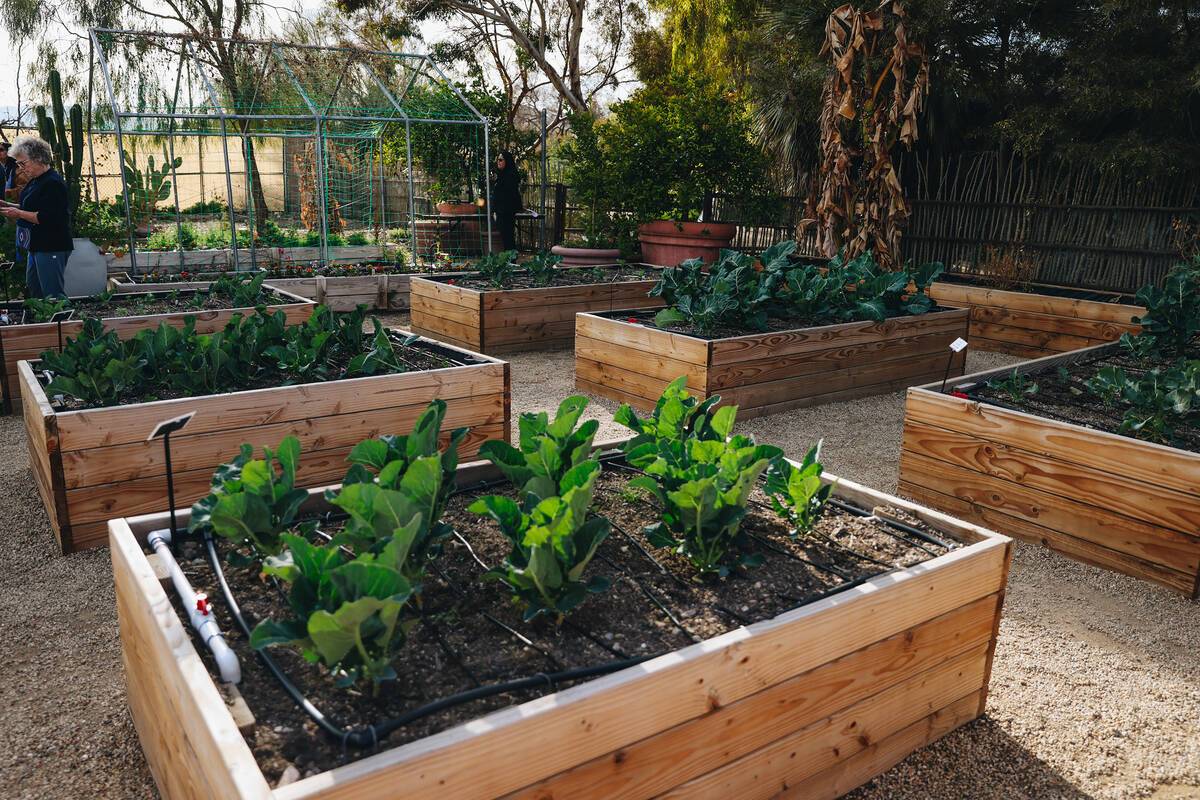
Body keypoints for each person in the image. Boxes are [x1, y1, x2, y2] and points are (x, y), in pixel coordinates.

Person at [0, 135, 72, 299]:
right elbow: (29, 208)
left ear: (38, 158)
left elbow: (45, 217)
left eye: (23, 163)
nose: (21, 168)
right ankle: (44, 321)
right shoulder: (35, 180)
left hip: (52, 244)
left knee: (52, 292)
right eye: (18, 164)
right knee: (34, 285)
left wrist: (18, 213)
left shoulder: (53, 183)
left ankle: (62, 322)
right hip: (37, 244)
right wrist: (7, 205)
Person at [491, 150, 522, 251]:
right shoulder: (502, 175)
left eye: (500, 160)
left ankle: (511, 260)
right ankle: (509, 260)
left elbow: (510, 195)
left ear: (507, 161)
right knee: (505, 237)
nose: (498, 162)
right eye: (497, 160)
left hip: (506, 212)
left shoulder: (510, 176)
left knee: (508, 237)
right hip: (501, 211)